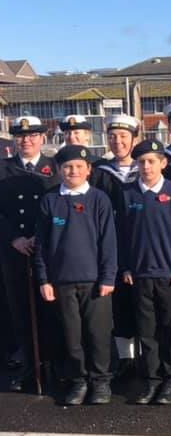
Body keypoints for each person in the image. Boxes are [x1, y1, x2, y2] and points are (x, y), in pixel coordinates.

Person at [34, 145, 117, 405]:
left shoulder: (99, 199)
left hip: (94, 281)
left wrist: (108, 277)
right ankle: (78, 381)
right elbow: (42, 245)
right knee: (72, 336)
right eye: (68, 167)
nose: (73, 171)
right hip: (62, 281)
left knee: (98, 334)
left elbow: (109, 242)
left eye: (79, 166)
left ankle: (100, 381)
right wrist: (44, 279)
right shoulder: (50, 200)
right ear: (59, 170)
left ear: (89, 170)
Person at [119, 140, 171, 405]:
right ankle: (152, 380)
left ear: (163, 163)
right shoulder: (127, 194)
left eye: (151, 161)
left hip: (170, 275)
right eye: (142, 162)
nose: (146, 166)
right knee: (146, 331)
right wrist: (126, 265)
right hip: (139, 274)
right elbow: (122, 235)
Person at [0, 116, 60, 392]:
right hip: (14, 250)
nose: (27, 140)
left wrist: (40, 237)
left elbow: (59, 207)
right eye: (21, 136)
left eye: (33, 135)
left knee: (51, 309)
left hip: (46, 250)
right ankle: (28, 367)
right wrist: (14, 238)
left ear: (42, 138)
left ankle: (52, 366)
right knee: (20, 310)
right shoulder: (3, 169)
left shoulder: (54, 168)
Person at [91, 114, 141, 373]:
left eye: (123, 136)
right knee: (121, 306)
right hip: (114, 249)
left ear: (134, 138)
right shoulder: (100, 173)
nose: (117, 141)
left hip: (145, 249)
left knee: (147, 306)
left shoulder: (147, 168)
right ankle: (126, 360)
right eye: (112, 137)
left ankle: (150, 359)